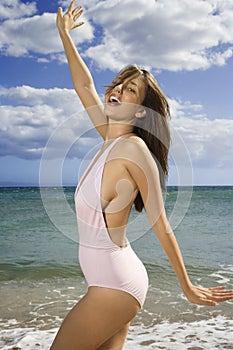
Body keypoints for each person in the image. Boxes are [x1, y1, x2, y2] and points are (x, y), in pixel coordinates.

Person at [51, 1, 233, 349]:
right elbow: (84, 85)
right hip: (110, 282)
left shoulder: (134, 149)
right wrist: (64, 36)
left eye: (130, 89)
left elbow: (161, 222)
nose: (116, 90)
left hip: (115, 286)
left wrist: (188, 286)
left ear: (141, 111)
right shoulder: (109, 138)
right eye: (118, 83)